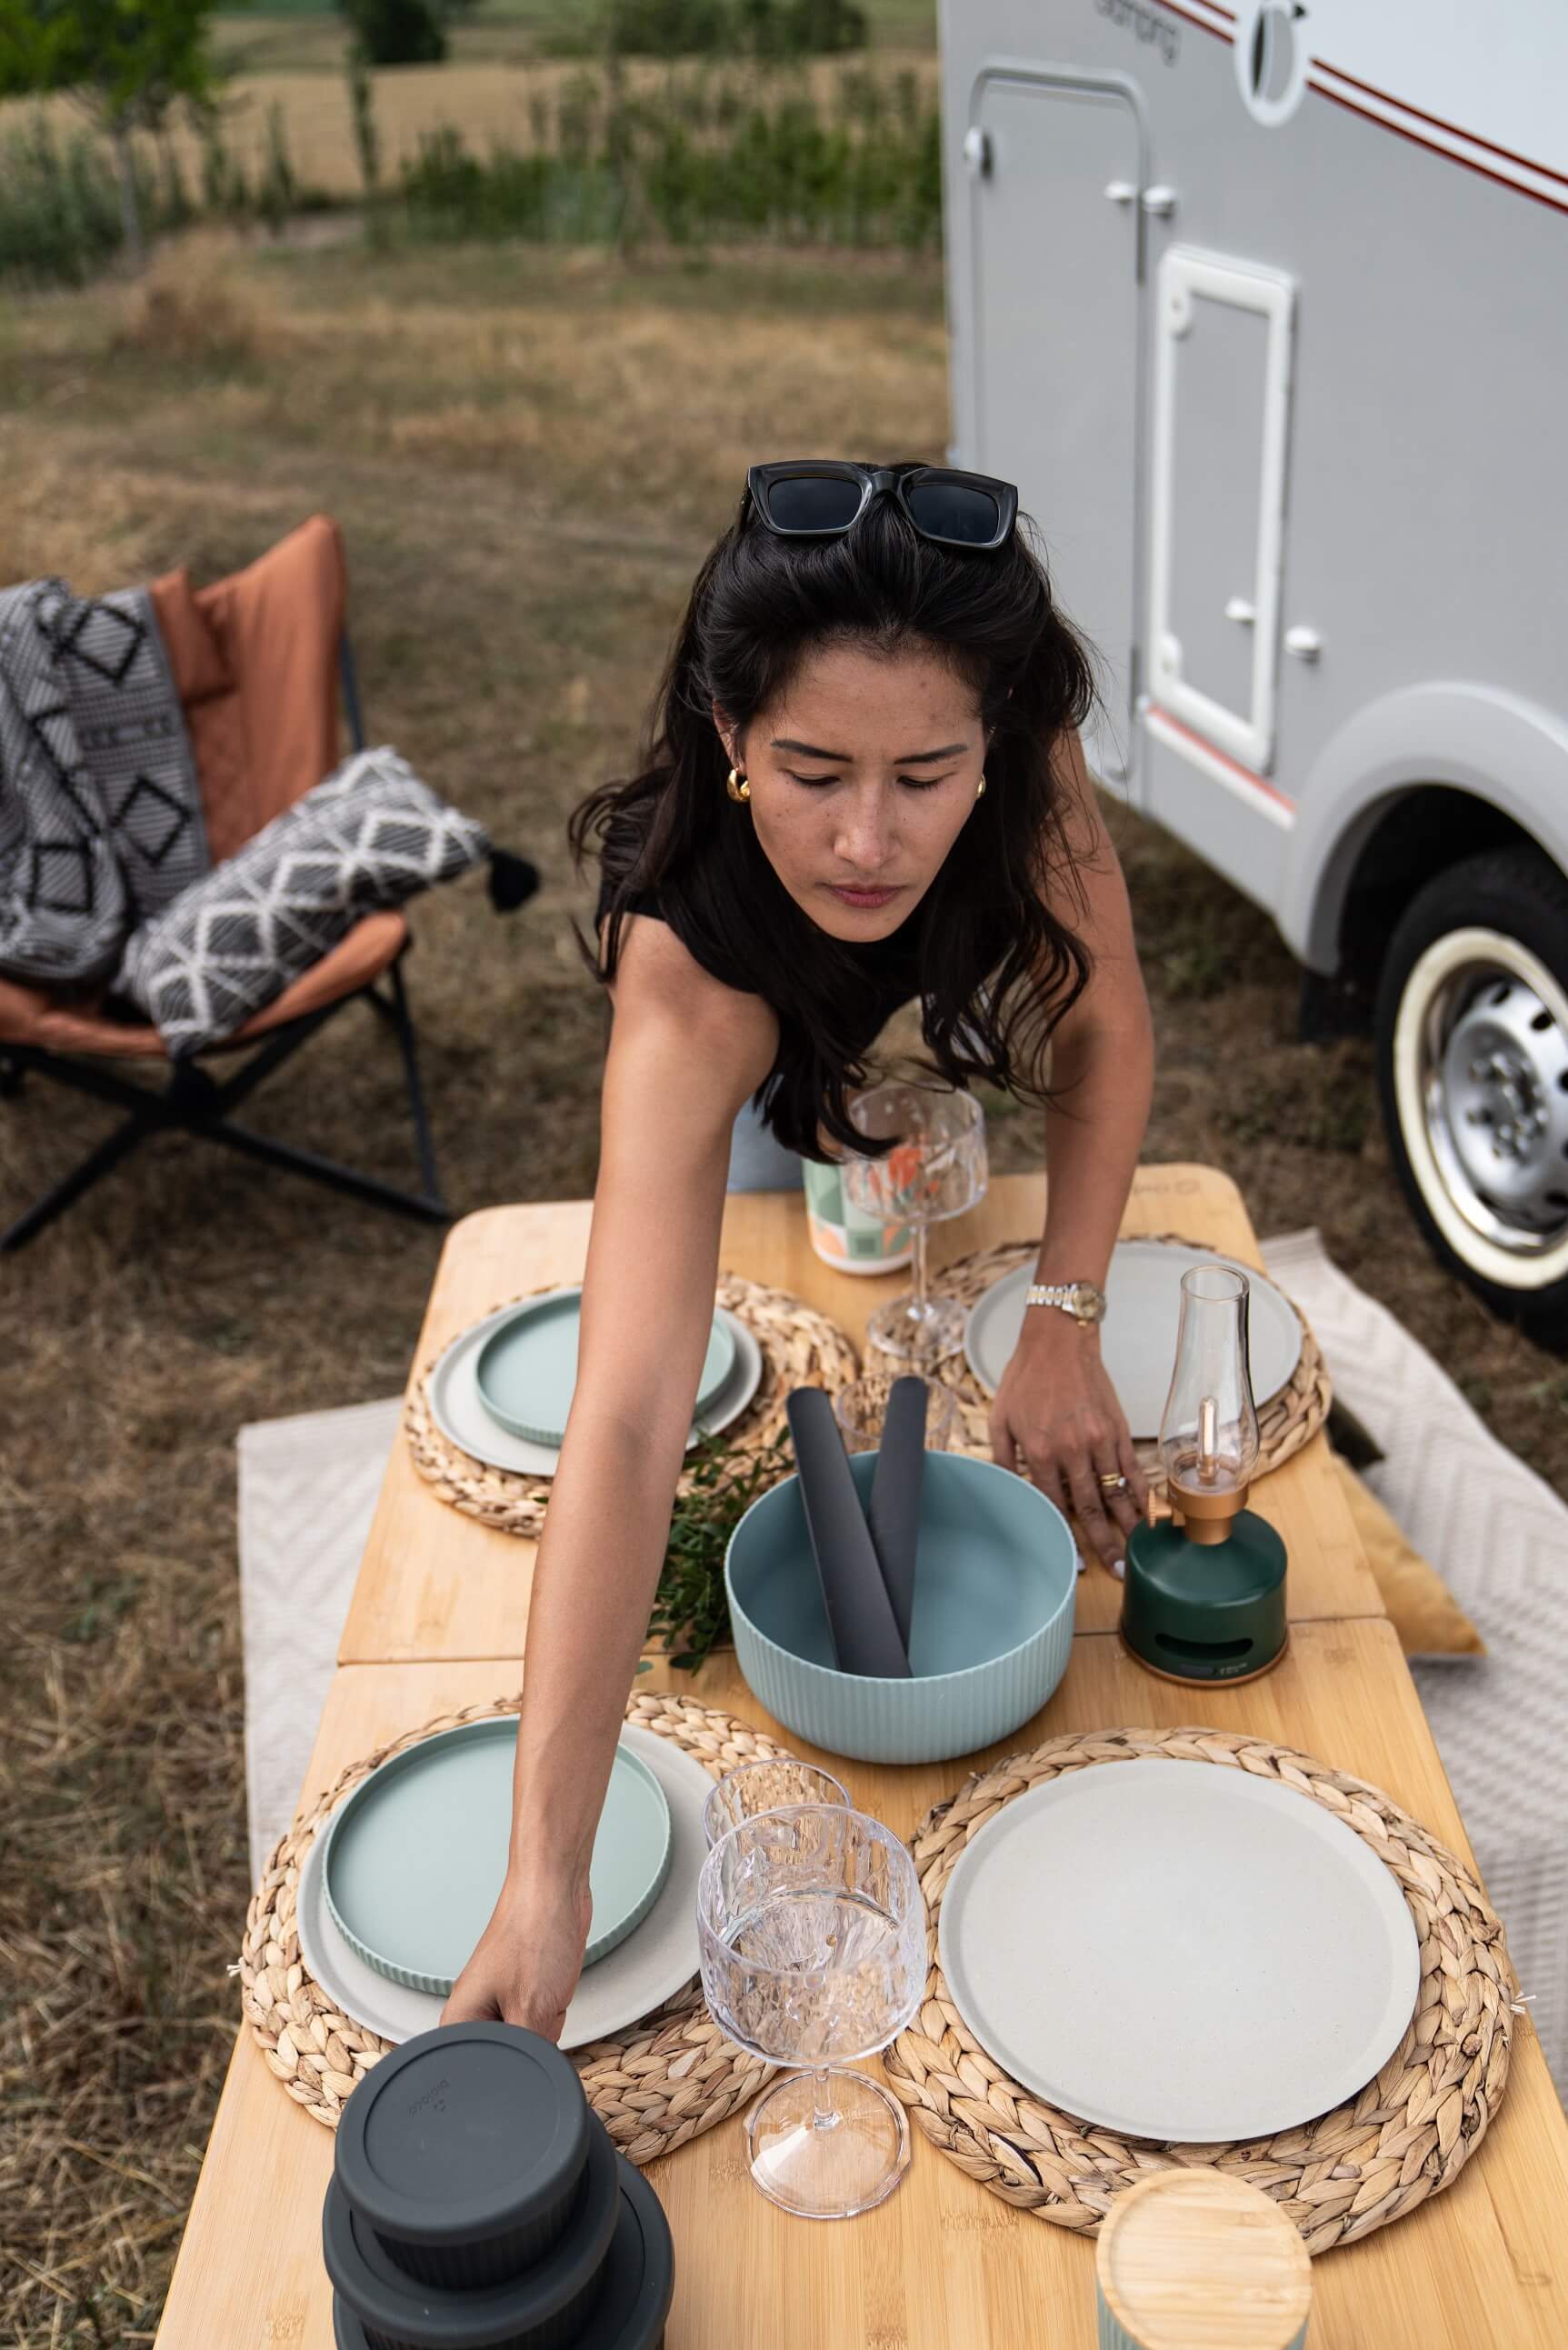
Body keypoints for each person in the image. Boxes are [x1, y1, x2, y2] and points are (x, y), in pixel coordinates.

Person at [443, 459, 1154, 2038]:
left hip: (904, 1039)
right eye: (814, 768)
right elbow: (624, 1417)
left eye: (925, 774)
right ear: (728, 739)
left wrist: (1064, 1315)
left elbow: (1103, 1029)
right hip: (755, 1030)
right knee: (785, 1195)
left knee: (904, 1192)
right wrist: (544, 1876)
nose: (867, 839)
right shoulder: (684, 954)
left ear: (994, 746)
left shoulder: (1019, 759)